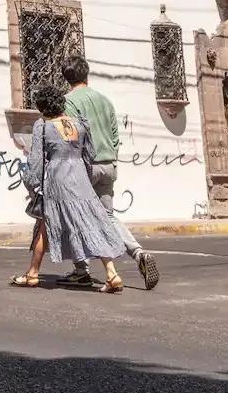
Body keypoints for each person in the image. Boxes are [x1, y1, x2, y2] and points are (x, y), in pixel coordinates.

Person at [60, 56, 161, 291]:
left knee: (76, 216)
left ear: (66, 78)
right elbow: (115, 135)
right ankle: (138, 253)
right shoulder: (105, 101)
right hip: (108, 164)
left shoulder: (68, 102)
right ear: (86, 74)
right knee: (107, 216)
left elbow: (72, 135)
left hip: (86, 166)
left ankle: (81, 270)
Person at [12, 84, 126, 292]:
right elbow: (89, 155)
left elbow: (36, 160)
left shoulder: (43, 127)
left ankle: (33, 275)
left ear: (44, 108)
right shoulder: (80, 125)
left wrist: (31, 184)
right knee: (92, 223)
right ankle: (111, 273)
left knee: (44, 224)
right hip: (80, 177)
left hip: (58, 179)